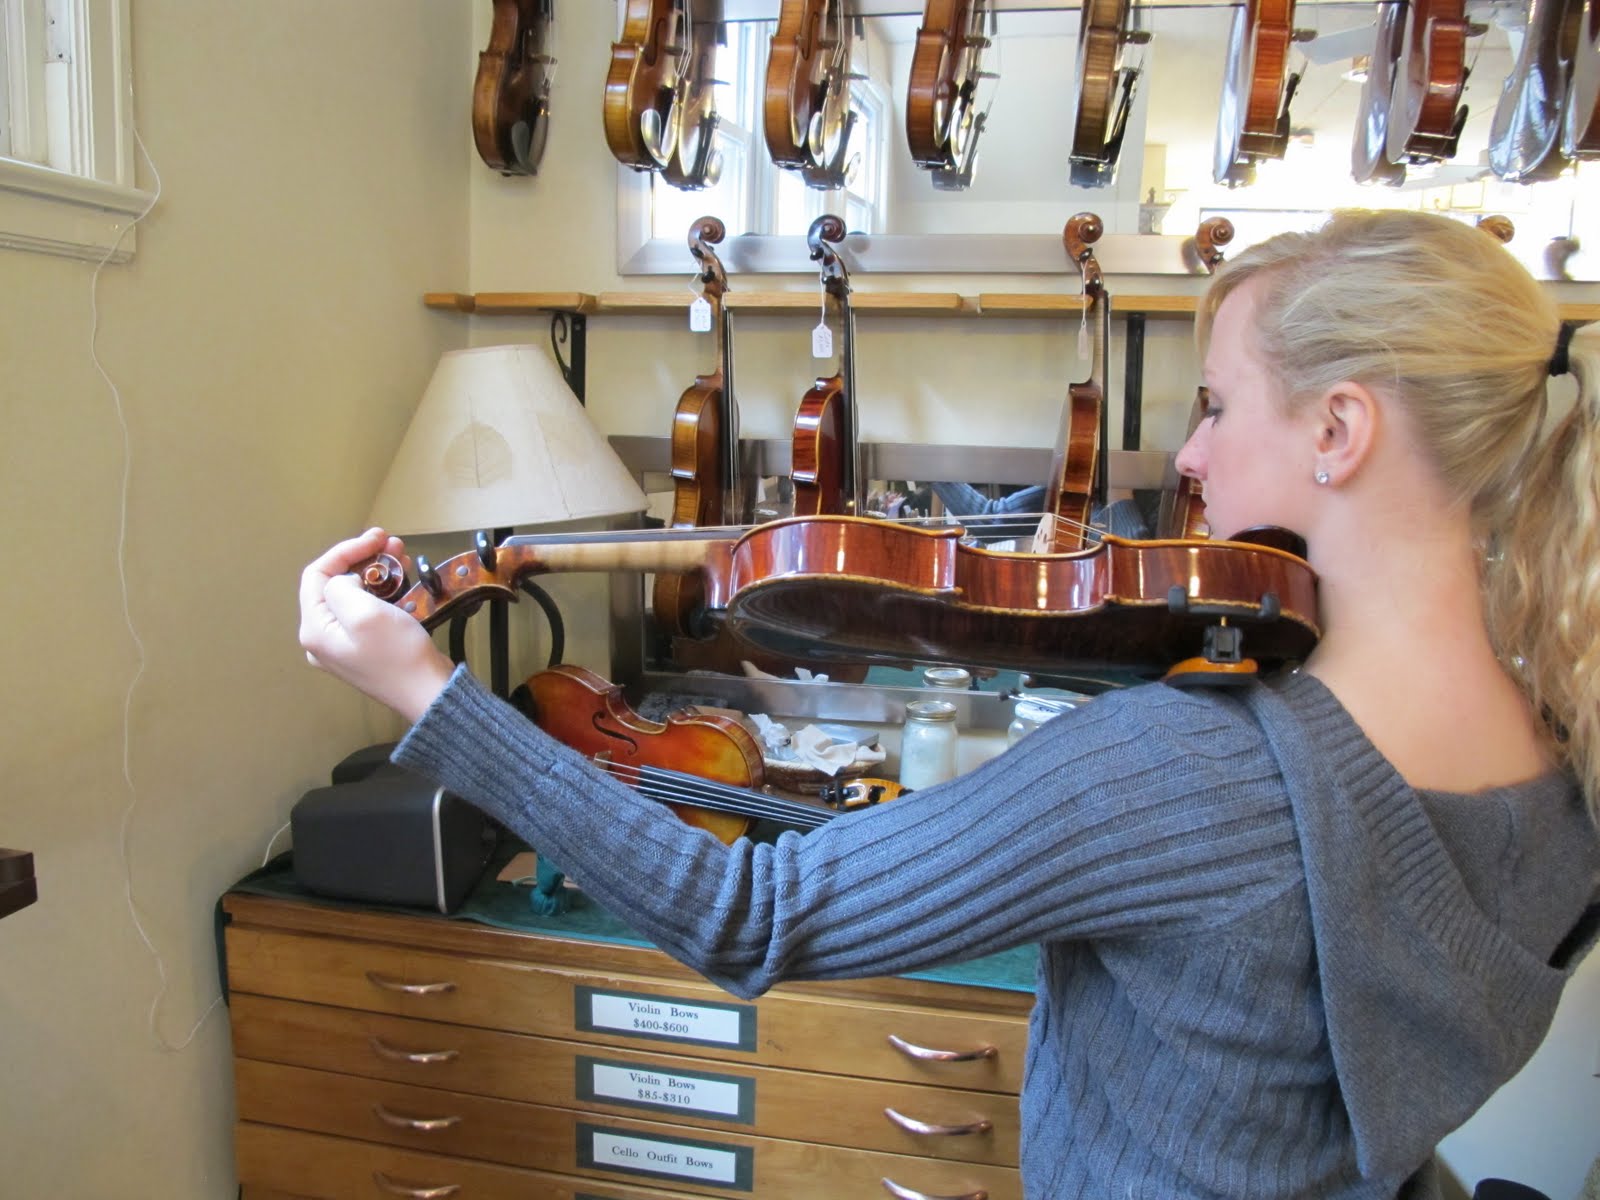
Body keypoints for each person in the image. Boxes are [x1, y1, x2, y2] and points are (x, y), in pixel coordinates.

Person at [299, 210, 1600, 1200]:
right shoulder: (1565, 764)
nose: (1193, 457)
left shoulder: (1192, 772)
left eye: (1214, 405)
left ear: (1342, 432)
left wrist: (424, 688)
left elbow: (746, 917)